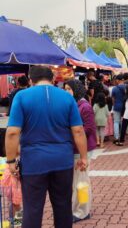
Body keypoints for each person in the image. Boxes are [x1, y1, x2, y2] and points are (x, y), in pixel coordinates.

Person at [6, 66, 88, 228]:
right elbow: (78, 130)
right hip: (62, 161)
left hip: (33, 162)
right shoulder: (67, 97)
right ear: (52, 79)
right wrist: (84, 157)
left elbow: (12, 133)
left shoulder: (22, 96)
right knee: (63, 206)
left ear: (30, 80)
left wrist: (10, 160)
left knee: (32, 209)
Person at [64, 79, 96, 223]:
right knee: (77, 181)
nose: (66, 92)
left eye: (69, 89)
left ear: (76, 89)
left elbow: (89, 128)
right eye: (65, 89)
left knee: (81, 181)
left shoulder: (84, 106)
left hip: (82, 149)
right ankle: (78, 208)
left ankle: (82, 211)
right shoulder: (73, 105)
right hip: (74, 148)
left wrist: (72, 132)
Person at [111, 74, 126, 145]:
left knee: (116, 122)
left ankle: (116, 137)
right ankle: (122, 136)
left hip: (117, 106)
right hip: (125, 107)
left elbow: (113, 99)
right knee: (123, 122)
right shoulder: (126, 87)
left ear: (117, 80)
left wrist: (114, 105)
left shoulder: (114, 88)